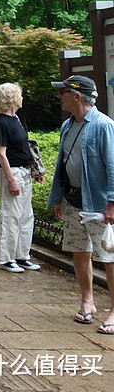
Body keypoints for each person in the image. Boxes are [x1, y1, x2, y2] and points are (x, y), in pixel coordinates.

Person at [47, 75, 114, 333]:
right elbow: (63, 165)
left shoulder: (103, 125)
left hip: (98, 205)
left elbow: (112, 167)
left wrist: (111, 204)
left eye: (63, 92)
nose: (58, 96)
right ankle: (88, 302)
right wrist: (59, 198)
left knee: (109, 256)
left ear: (77, 96)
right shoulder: (68, 125)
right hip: (73, 199)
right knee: (79, 251)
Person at [0, 82, 39, 273]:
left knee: (26, 215)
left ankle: (22, 255)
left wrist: (34, 170)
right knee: (11, 215)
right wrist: (11, 180)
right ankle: (6, 258)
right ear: (11, 98)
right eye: (19, 95)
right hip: (12, 171)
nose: (22, 98)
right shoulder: (1, 122)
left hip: (24, 170)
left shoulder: (16, 119)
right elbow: (1, 153)